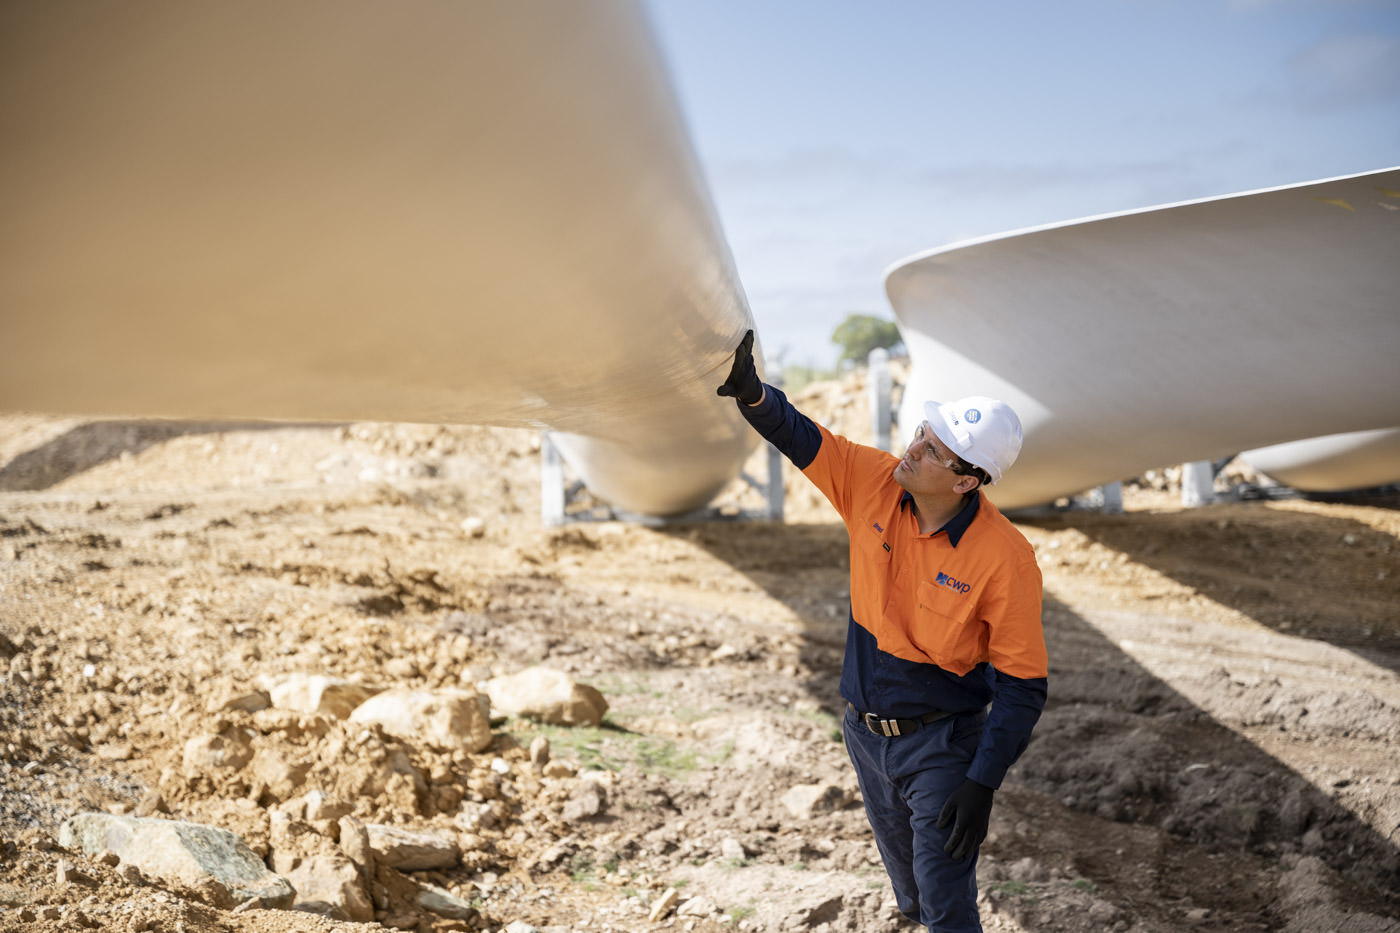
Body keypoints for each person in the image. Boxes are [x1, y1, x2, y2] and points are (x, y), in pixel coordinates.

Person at [717, 330, 1047, 933]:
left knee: (946, 904)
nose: (914, 448)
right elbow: (809, 441)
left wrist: (982, 784)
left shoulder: (1004, 558)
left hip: (942, 747)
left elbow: (1024, 684)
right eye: (922, 433)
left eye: (933, 450)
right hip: (865, 736)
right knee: (914, 897)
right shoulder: (874, 482)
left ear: (966, 481)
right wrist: (755, 396)